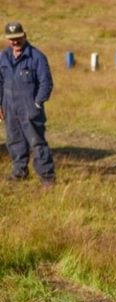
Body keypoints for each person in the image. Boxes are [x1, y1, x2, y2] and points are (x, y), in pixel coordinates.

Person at [0, 22, 55, 186]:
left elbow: (46, 83)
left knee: (37, 142)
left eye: (17, 38)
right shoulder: (3, 57)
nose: (15, 42)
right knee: (14, 141)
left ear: (24, 35)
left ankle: (47, 178)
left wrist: (37, 103)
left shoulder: (37, 57)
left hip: (30, 108)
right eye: (11, 39)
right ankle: (19, 173)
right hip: (9, 107)